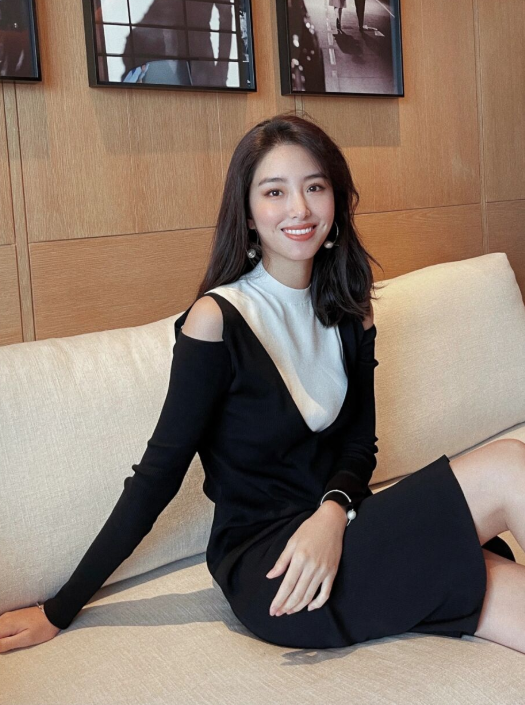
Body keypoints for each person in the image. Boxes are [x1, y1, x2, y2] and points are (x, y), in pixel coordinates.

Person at [1, 113, 525, 655]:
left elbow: (358, 448)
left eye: (314, 187)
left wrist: (332, 514)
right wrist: (58, 610)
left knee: (498, 585)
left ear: (335, 200)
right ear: (248, 214)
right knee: (510, 463)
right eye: (275, 192)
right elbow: (157, 476)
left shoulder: (352, 312)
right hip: (272, 565)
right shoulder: (215, 321)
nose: (300, 209)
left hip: (341, 529)